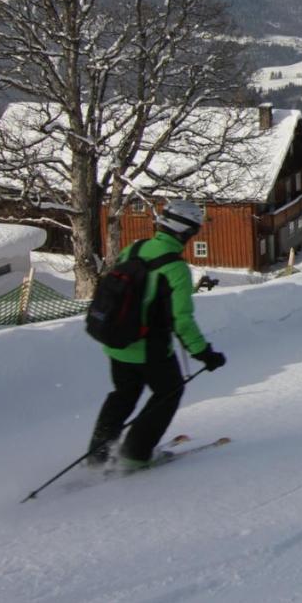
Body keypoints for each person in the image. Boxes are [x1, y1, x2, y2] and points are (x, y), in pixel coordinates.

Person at [87, 199, 227, 470]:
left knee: (123, 395)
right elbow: (182, 321)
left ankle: (97, 454)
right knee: (168, 392)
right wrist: (205, 354)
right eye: (194, 231)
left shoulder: (134, 248)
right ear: (185, 232)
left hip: (116, 343)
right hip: (150, 350)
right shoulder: (174, 268)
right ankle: (135, 454)